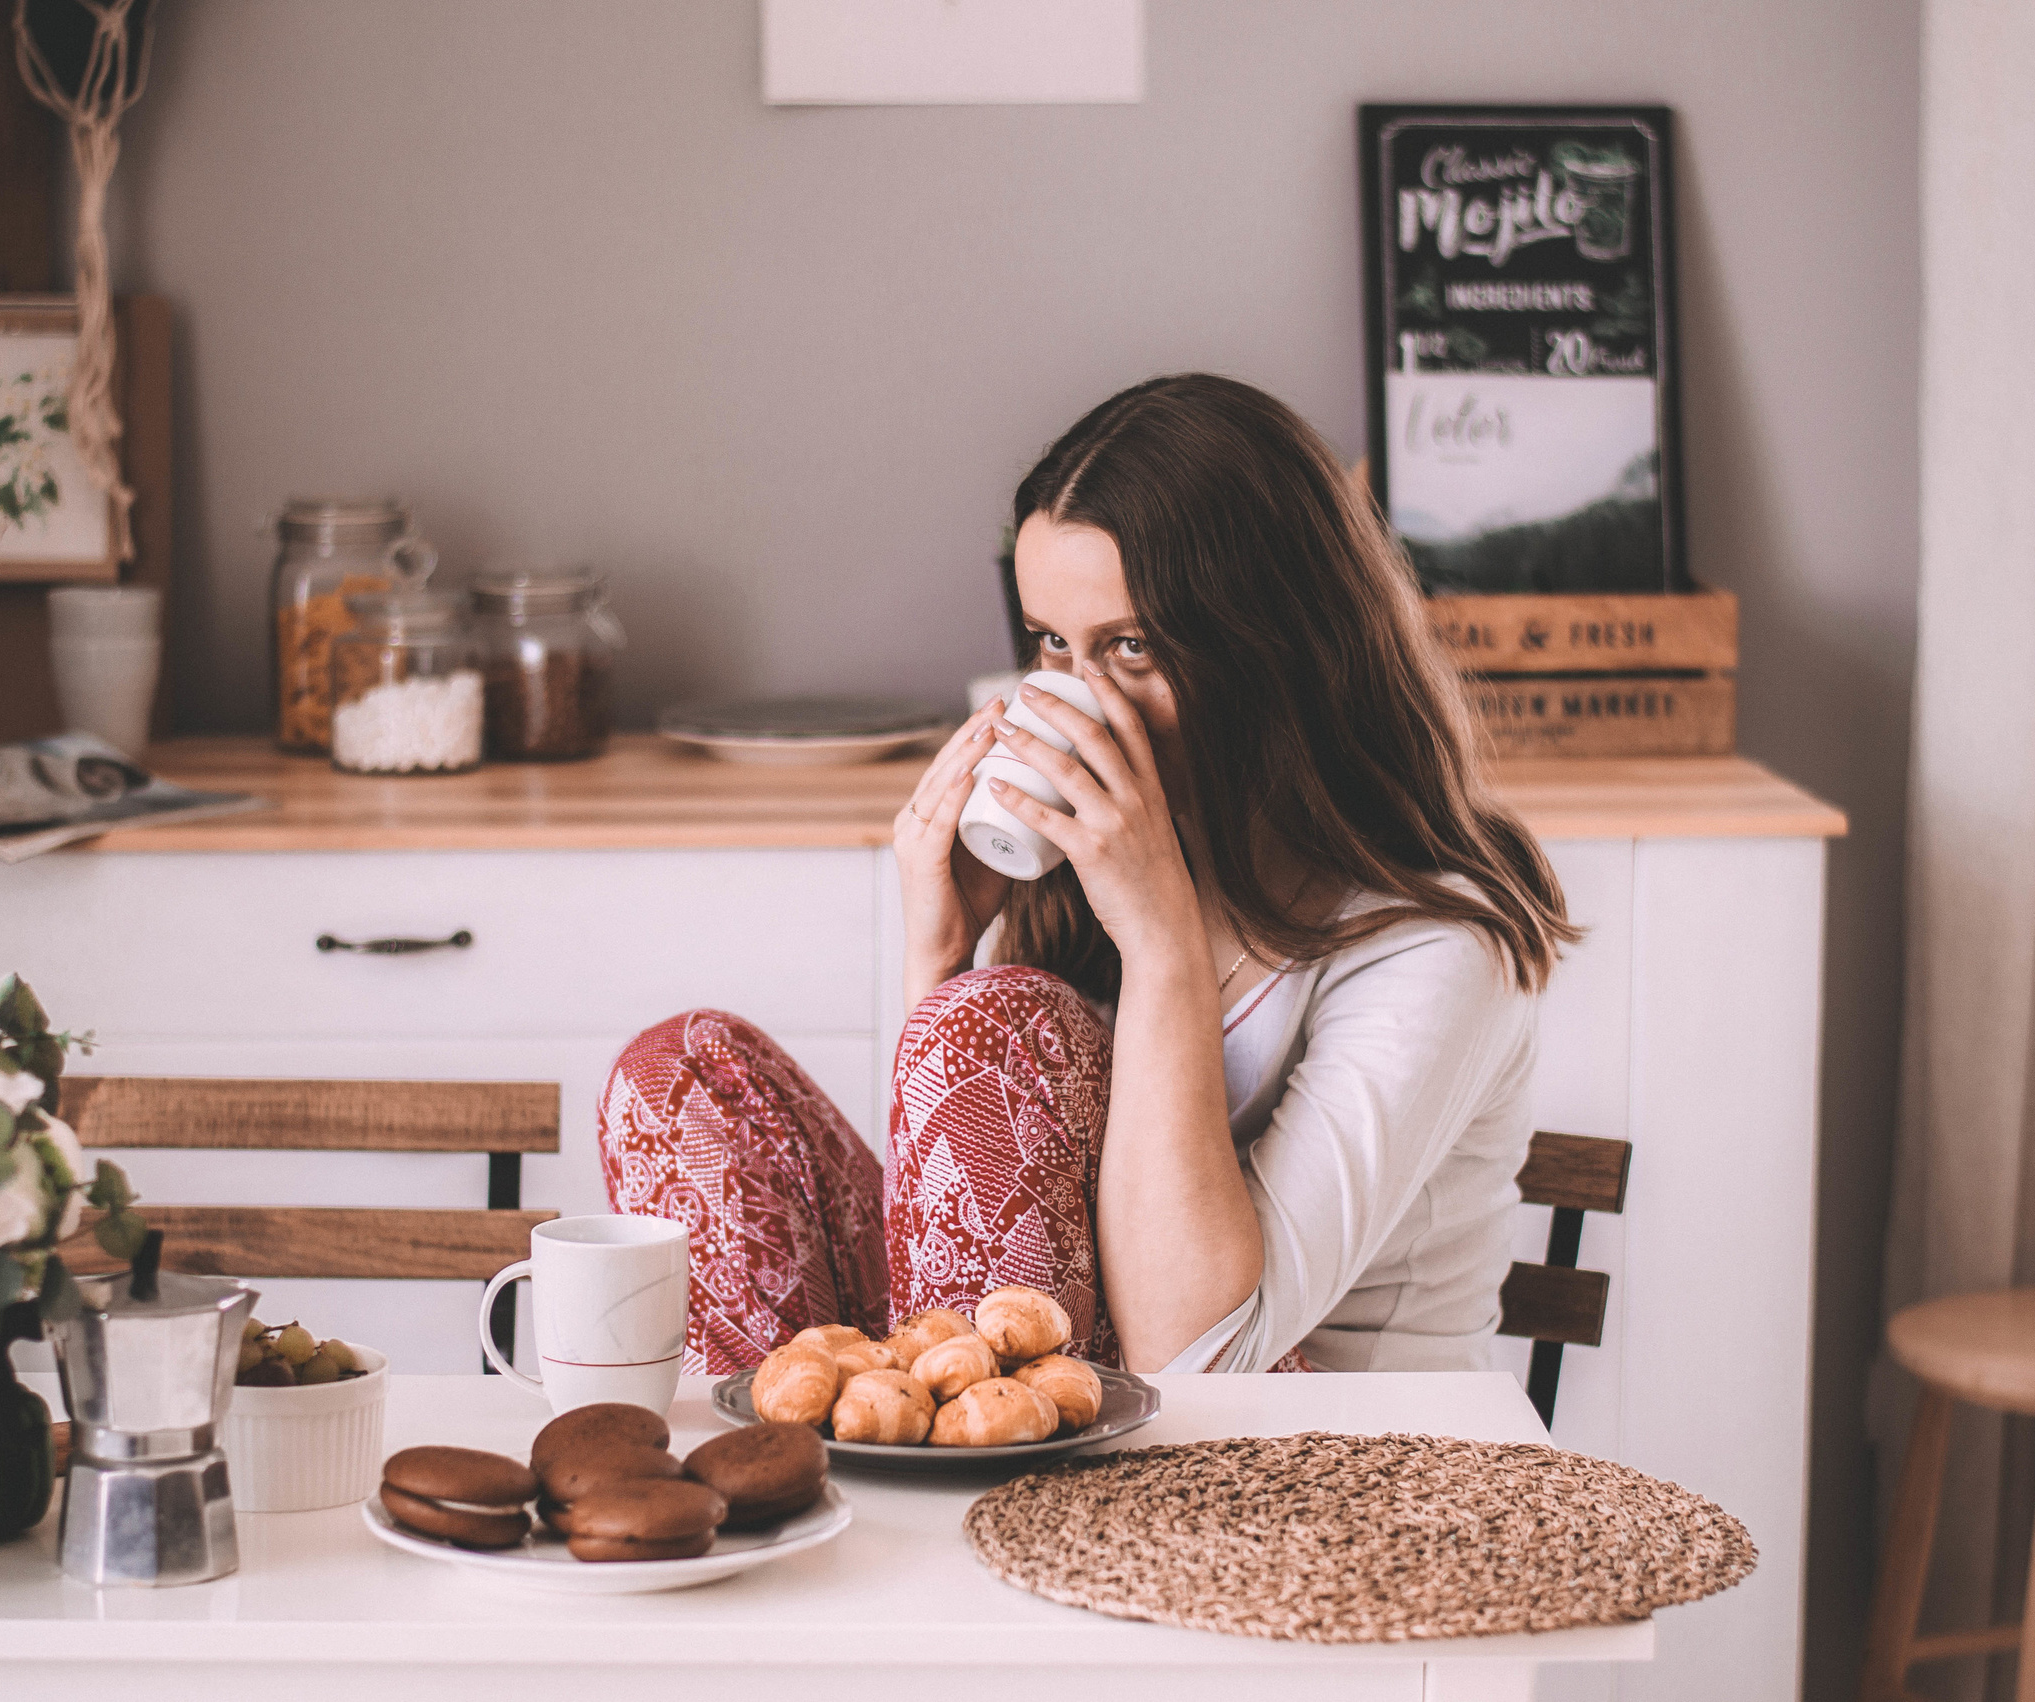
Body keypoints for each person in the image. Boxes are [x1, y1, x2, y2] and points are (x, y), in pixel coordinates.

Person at [600, 372, 1576, 1375]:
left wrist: (1158, 940)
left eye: (1134, 646)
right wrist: (941, 956)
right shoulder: (1089, 879)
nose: (1076, 698)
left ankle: (930, 1515)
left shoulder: (1437, 940)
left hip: (1307, 1451)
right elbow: (968, 1250)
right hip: (1068, 1403)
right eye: (1054, 646)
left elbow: (1201, 1351)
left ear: (1281, 649)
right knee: (681, 1077)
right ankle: (787, 1487)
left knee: (996, 1027)